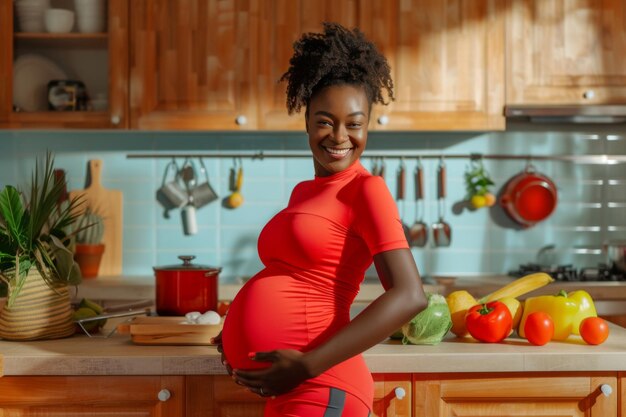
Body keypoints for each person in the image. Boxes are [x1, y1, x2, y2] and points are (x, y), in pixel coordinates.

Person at [214, 22, 427, 417]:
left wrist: (306, 365)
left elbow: (410, 295)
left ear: (367, 126)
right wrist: (232, 336)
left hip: (322, 386)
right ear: (307, 120)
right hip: (296, 390)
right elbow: (297, 278)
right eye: (325, 121)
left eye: (354, 123)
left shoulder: (366, 190)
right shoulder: (305, 192)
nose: (339, 136)